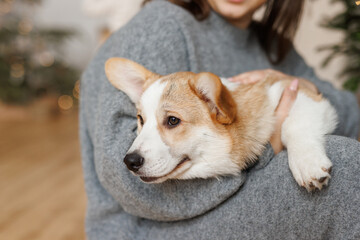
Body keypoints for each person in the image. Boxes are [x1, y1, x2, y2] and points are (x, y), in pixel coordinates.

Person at [80, 0, 360, 239]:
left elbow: (351, 116)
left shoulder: (271, 43)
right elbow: (122, 176)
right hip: (146, 228)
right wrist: (264, 150)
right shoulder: (158, 26)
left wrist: (304, 86)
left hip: (220, 205)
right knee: (344, 169)